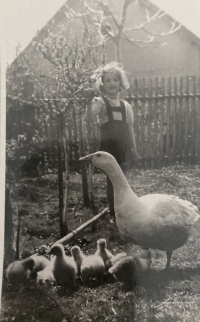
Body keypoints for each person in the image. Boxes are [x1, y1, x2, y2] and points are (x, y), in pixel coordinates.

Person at [87, 61, 138, 220]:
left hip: (124, 147)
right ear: (102, 83)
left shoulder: (126, 106)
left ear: (120, 82)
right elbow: (89, 118)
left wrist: (134, 151)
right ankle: (114, 213)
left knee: (123, 180)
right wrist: (90, 101)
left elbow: (130, 129)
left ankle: (124, 210)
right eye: (108, 80)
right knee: (112, 181)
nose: (112, 83)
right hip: (109, 148)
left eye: (115, 80)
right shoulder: (100, 102)